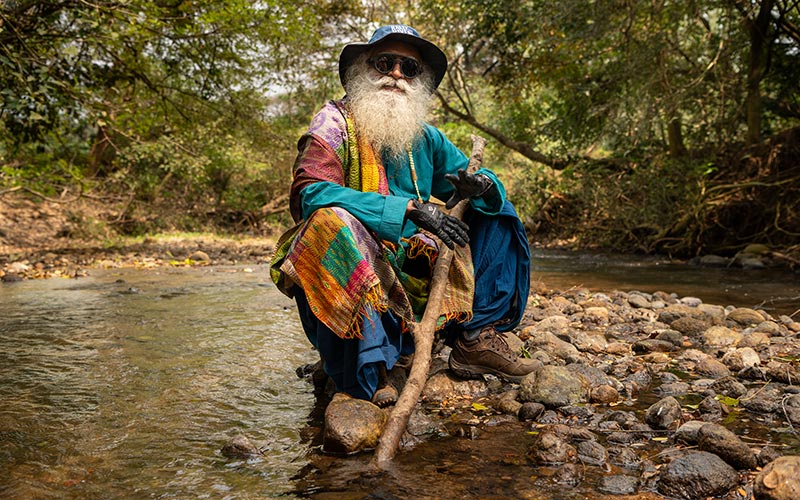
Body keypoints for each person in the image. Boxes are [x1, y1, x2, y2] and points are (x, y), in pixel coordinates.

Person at [271, 24, 536, 408]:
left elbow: (475, 179)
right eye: (385, 63)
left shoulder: (425, 137)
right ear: (363, 70)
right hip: (359, 272)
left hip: (412, 268)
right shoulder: (333, 123)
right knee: (329, 223)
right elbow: (310, 192)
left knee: (495, 207)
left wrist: (481, 185)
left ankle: (474, 338)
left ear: (419, 80)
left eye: (408, 68)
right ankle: (373, 366)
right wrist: (407, 209)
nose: (396, 74)